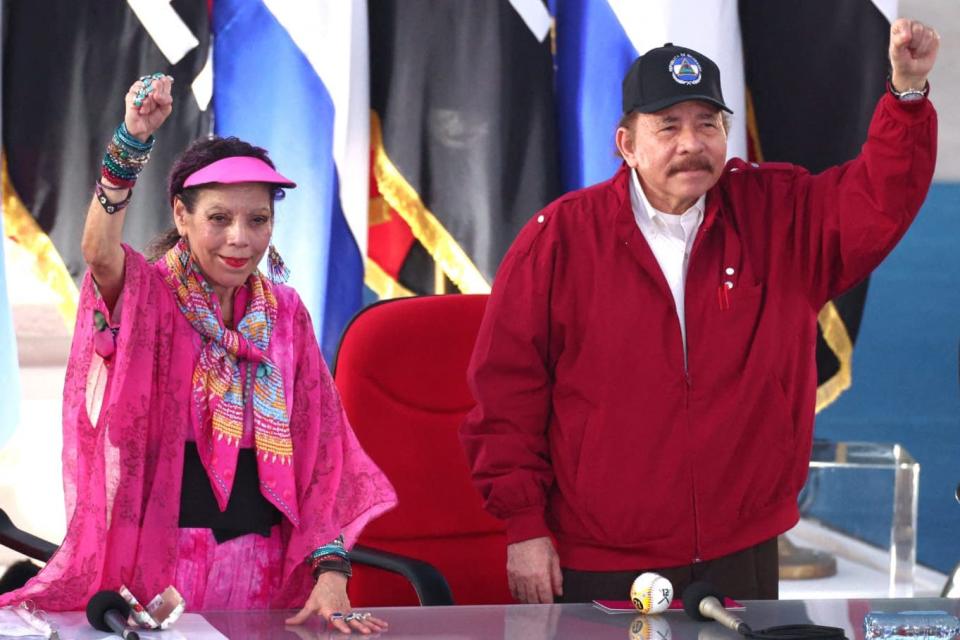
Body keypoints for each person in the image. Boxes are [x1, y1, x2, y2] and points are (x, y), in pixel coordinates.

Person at [460, 19, 939, 604]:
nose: (692, 143)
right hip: (603, 557)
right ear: (627, 144)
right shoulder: (559, 239)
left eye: (708, 124)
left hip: (742, 551)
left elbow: (877, 201)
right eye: (668, 127)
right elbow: (507, 397)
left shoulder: (778, 215)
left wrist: (907, 94)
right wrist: (525, 527)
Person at [0, 74, 396, 635]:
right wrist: (131, 142)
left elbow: (320, 459)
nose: (240, 238)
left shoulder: (286, 315)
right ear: (182, 217)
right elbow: (97, 251)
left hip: (267, 575)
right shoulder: (149, 298)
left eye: (258, 220)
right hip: (163, 574)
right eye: (219, 219)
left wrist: (332, 571)